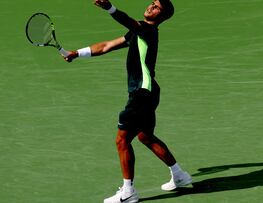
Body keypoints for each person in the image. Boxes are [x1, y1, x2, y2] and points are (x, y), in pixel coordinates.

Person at [64, 0, 192, 202]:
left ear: (162, 16)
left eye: (157, 7)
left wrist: (110, 8)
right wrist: (77, 53)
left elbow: (129, 22)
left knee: (122, 140)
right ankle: (180, 176)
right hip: (149, 92)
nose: (151, 7)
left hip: (141, 94)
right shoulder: (137, 32)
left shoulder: (147, 31)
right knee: (145, 136)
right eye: (152, 3)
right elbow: (106, 46)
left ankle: (128, 192)